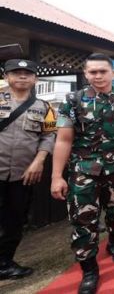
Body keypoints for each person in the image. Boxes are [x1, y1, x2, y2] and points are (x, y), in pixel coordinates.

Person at [51, 53, 114, 294]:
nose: (98, 76)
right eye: (93, 72)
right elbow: (63, 139)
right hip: (83, 171)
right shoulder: (72, 100)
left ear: (113, 73)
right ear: (86, 74)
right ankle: (89, 270)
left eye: (103, 71)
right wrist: (57, 176)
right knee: (83, 221)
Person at [0, 59, 56, 280]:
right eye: (16, 72)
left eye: (27, 73)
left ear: (35, 79)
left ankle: (5, 263)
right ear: (6, 76)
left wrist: (39, 161)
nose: (22, 76)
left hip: (23, 174)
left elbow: (49, 135)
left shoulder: (44, 107)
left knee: (15, 219)